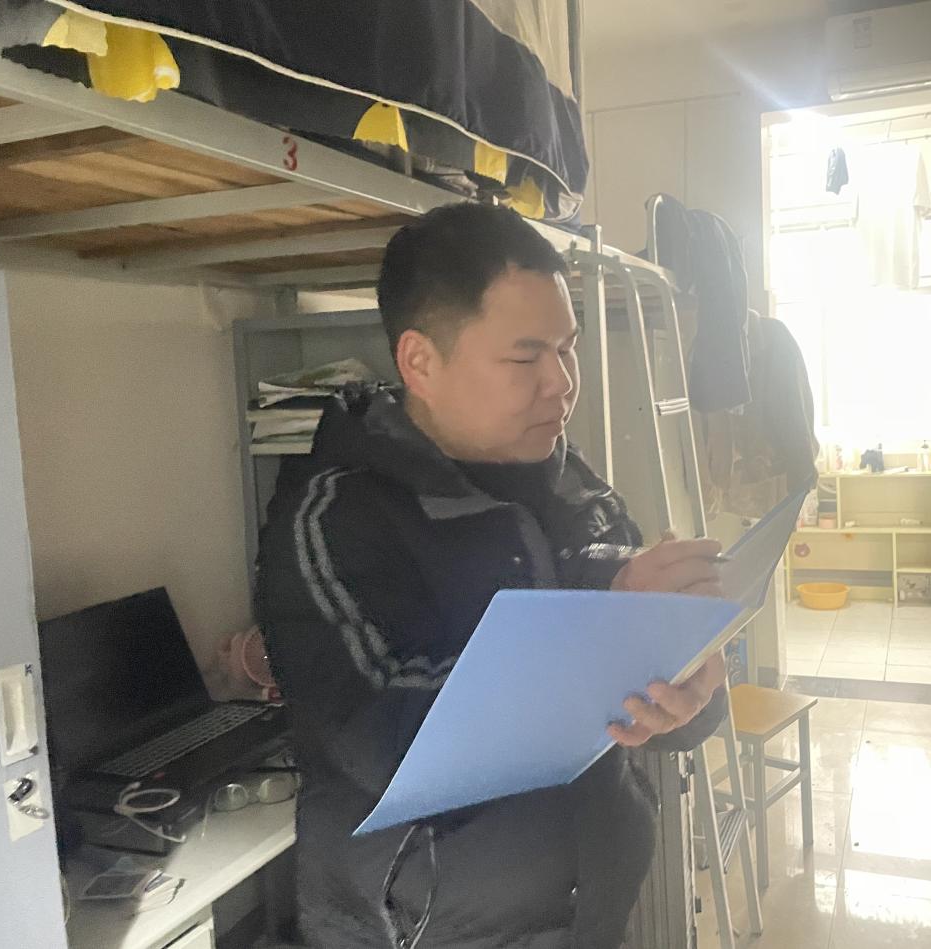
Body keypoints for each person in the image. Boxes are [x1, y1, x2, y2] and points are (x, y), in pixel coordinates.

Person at [256, 202, 729, 949]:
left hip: (593, 912)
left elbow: (646, 702)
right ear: (420, 362)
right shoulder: (334, 518)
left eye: (567, 349)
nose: (561, 383)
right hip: (432, 931)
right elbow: (394, 739)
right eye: (525, 357)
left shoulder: (572, 481)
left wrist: (691, 692)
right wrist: (605, 645)